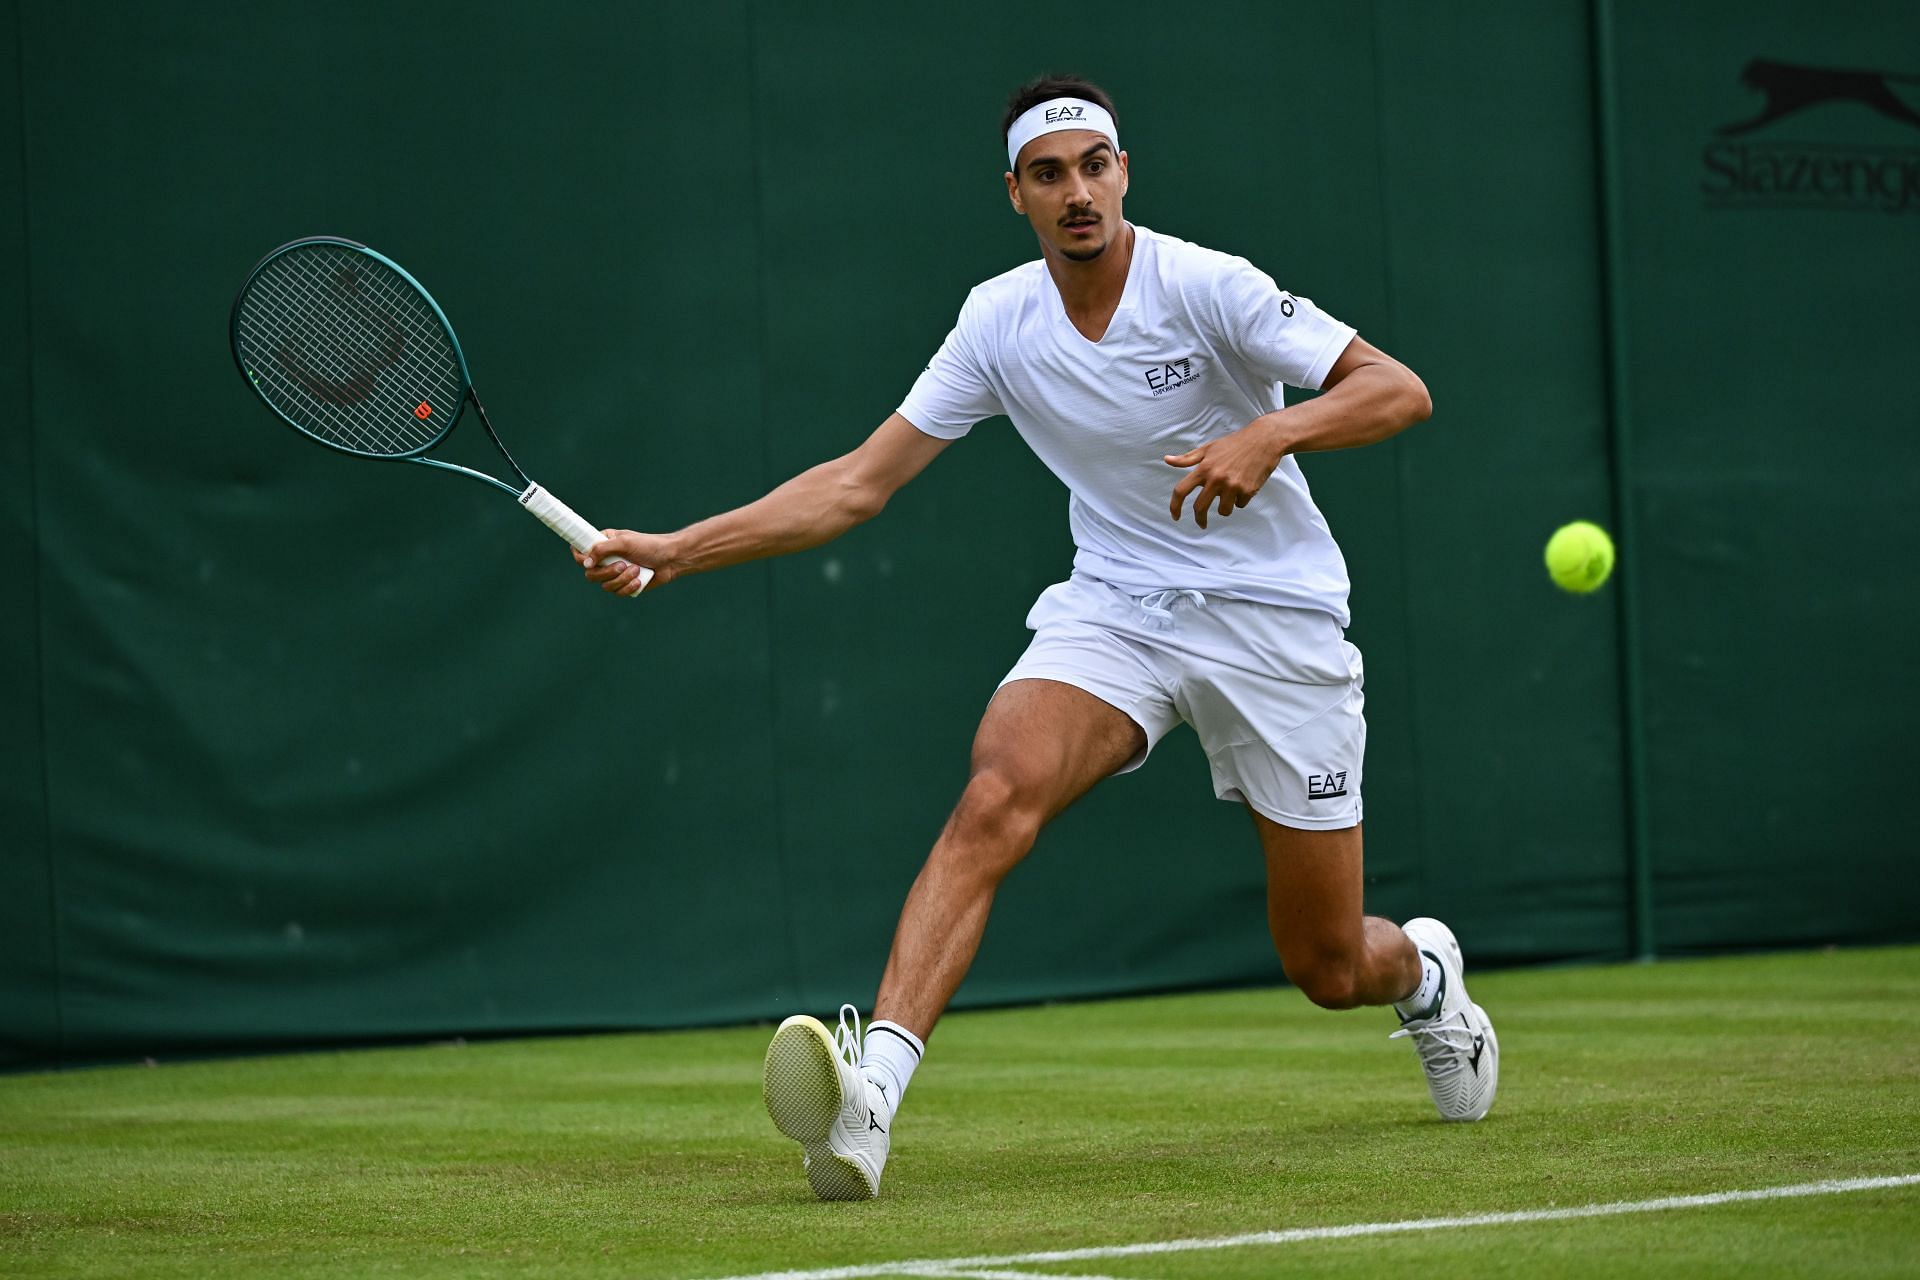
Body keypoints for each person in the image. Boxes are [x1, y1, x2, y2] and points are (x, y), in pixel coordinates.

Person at [576, 74, 1499, 1201]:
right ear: (1015, 192)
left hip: (1276, 623)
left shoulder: (1206, 285)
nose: (1078, 191)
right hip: (1117, 607)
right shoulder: (997, 320)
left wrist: (1271, 430)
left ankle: (1427, 971)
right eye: (1050, 173)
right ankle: (870, 1097)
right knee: (994, 792)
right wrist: (679, 547)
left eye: (1095, 165)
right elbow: (859, 484)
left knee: (1326, 961)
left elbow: (1397, 389)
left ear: (1124, 173)